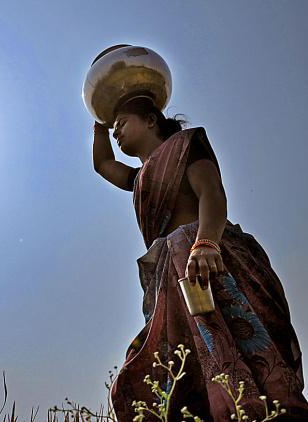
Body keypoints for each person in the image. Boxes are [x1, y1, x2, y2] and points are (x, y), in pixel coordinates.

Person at [92, 96, 308, 420]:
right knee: (170, 371)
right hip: (170, 271)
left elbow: (211, 192)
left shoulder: (184, 146)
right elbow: (103, 164)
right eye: (114, 128)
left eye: (121, 123)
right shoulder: (139, 178)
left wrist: (205, 244)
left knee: (243, 350)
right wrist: (100, 119)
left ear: (151, 120)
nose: (116, 131)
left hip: (210, 257)